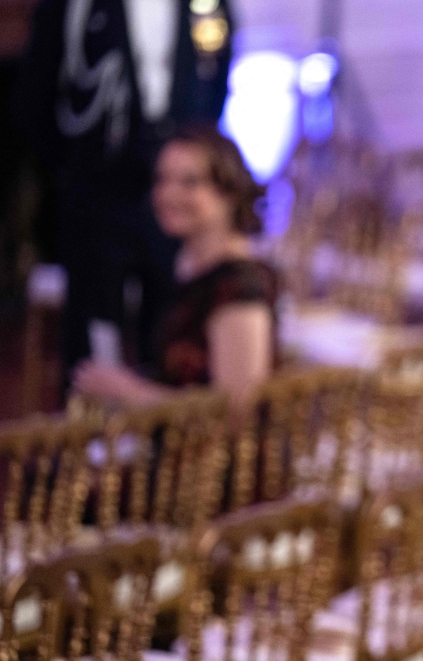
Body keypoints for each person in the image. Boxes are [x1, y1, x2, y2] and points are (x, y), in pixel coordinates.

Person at [13, 0, 233, 386]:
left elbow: (217, 68)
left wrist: (192, 145)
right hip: (97, 191)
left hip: (172, 189)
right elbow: (37, 89)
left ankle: (161, 437)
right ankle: (89, 440)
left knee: (169, 329)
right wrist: (74, 167)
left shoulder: (205, 2)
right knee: (92, 335)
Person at [72, 127, 278, 410]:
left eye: (189, 182)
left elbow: (237, 414)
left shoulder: (240, 286)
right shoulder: (187, 262)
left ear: (230, 191)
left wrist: (128, 390)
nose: (168, 194)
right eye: (162, 179)